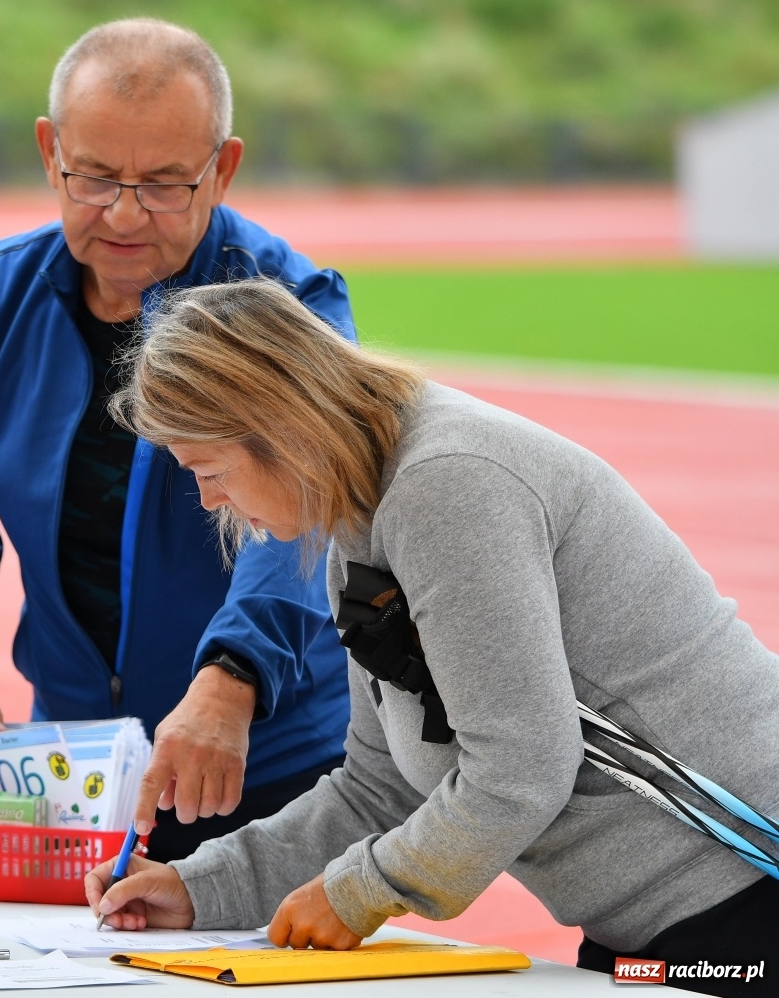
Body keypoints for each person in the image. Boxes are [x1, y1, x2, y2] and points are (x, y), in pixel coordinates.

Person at [85, 280, 779, 995]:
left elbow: (521, 770)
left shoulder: (445, 486)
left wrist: (358, 891)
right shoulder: (359, 530)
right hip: (660, 919)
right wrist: (199, 886)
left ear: (278, 424)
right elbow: (376, 788)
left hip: (746, 888)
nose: (207, 499)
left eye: (209, 469)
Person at [0, 18, 354, 861]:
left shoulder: (288, 301)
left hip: (266, 760)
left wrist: (234, 677)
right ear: (48, 151)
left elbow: (310, 512)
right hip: (78, 771)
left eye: (165, 184)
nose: (125, 215)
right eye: (93, 178)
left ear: (223, 169)